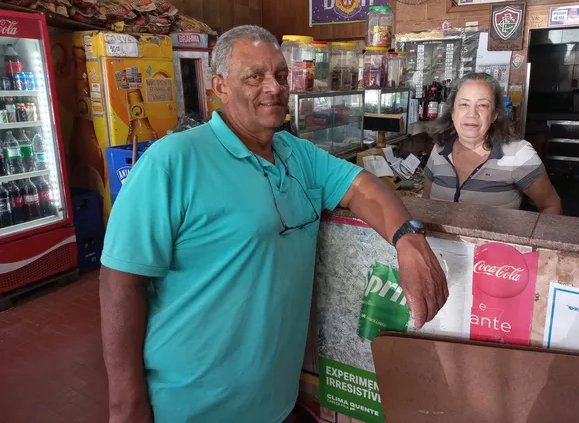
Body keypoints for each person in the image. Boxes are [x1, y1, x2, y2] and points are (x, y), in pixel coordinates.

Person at [100, 25, 449, 423]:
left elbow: (362, 187)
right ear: (219, 86)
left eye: (281, 76)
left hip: (274, 403)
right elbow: (119, 282)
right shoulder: (172, 161)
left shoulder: (297, 154)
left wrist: (408, 240)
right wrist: (124, 404)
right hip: (190, 405)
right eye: (255, 76)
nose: (275, 87)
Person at [422, 72, 561, 214]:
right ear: (452, 113)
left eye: (482, 105)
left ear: (494, 115)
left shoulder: (518, 154)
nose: (472, 113)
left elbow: (551, 205)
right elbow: (426, 202)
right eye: (464, 104)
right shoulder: (440, 148)